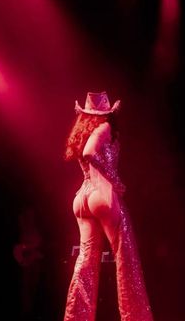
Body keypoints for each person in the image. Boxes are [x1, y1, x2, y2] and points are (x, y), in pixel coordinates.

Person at [63, 91, 154, 321]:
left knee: (86, 260)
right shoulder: (103, 129)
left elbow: (85, 154)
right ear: (106, 113)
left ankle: (76, 317)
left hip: (82, 197)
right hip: (100, 192)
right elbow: (90, 152)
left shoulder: (83, 131)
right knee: (126, 255)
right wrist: (113, 180)